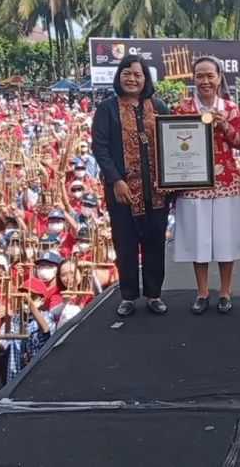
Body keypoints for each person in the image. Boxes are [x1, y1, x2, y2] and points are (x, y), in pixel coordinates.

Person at [91, 54, 170, 317]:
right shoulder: (108, 109)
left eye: (137, 74)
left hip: (156, 190)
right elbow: (100, 148)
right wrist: (116, 179)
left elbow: (171, 144)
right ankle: (127, 295)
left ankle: (154, 294)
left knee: (155, 243)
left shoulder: (158, 106)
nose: (132, 79)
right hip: (122, 190)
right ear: (119, 77)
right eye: (127, 73)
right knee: (125, 244)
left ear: (145, 78)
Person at [174, 56, 240, 315]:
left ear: (219, 77)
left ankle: (225, 292)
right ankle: (202, 292)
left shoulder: (231, 107)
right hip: (193, 182)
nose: (205, 81)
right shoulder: (182, 109)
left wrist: (224, 123)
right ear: (193, 79)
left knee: (225, 239)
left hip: (226, 180)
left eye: (210, 75)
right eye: (200, 76)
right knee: (199, 239)